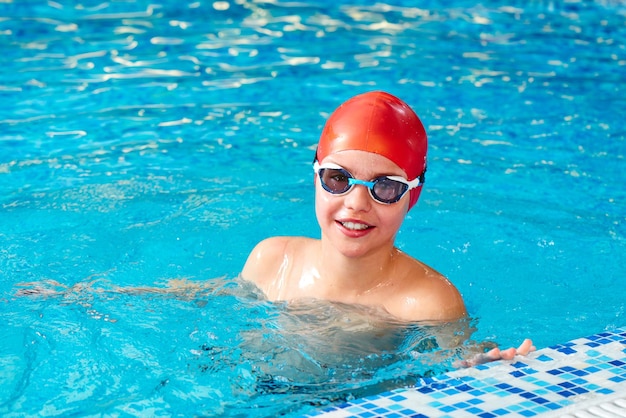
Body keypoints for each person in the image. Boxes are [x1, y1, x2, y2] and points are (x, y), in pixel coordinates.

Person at [242, 91, 534, 364]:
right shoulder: (273, 260)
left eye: (385, 186)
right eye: (338, 178)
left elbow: (459, 358)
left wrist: (485, 363)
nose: (356, 203)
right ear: (316, 178)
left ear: (411, 196)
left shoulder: (429, 302)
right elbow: (218, 302)